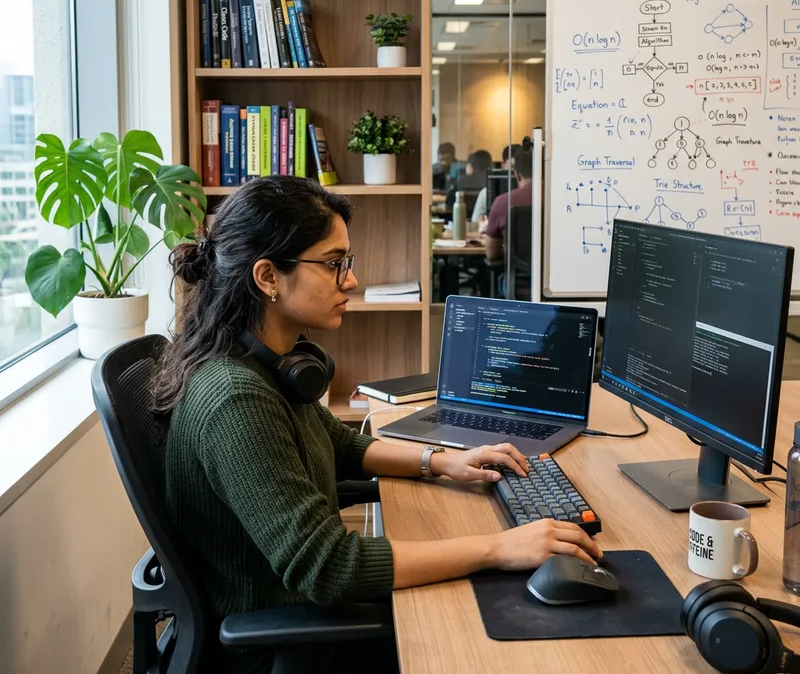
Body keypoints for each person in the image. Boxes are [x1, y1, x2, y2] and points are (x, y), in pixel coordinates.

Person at [155, 176, 600, 673]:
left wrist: (444, 462)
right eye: (333, 263)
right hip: (279, 641)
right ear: (268, 277)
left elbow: (339, 443)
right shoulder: (236, 398)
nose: (350, 280)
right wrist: (498, 547)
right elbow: (327, 567)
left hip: (300, 610)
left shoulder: (265, 362)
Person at [484, 144, 533, 264]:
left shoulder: (503, 202)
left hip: (517, 279)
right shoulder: (558, 201)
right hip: (555, 278)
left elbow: (491, 253)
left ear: (516, 174)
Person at [472, 142, 521, 224]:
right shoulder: (487, 193)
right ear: (503, 166)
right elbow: (476, 222)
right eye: (512, 167)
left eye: (519, 168)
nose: (516, 173)